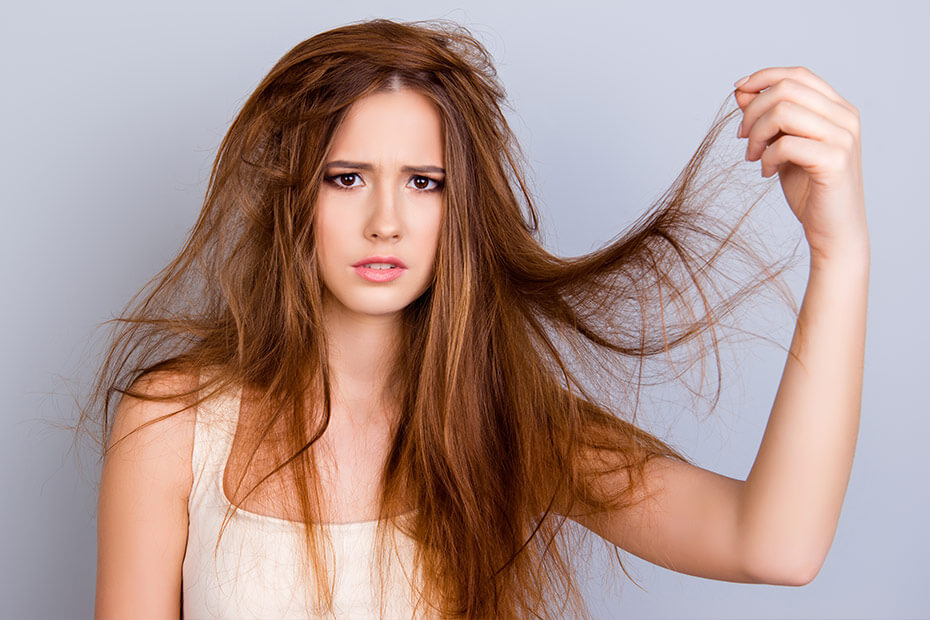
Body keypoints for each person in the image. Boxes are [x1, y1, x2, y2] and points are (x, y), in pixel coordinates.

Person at [87, 18, 868, 620]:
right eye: (347, 177)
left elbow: (774, 545)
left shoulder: (511, 427)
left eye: (424, 182)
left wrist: (840, 254)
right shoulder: (172, 425)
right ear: (292, 193)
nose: (385, 222)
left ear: (460, 208)